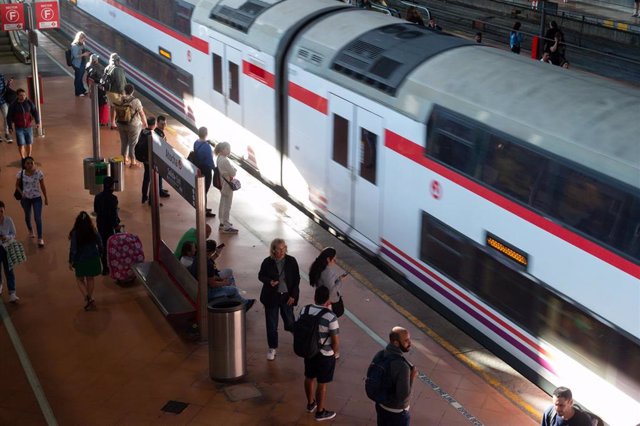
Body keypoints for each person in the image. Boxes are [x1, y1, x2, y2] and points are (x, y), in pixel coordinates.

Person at [258, 238, 300, 361]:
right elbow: (260, 275)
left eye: (283, 249)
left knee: (290, 322)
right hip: (271, 297)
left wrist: (294, 295)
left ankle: (297, 337)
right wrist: (269, 281)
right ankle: (272, 347)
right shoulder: (267, 262)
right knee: (271, 324)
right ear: (273, 250)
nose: (282, 252)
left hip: (287, 296)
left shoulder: (291, 261)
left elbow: (296, 279)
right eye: (279, 249)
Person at [302, 286, 339, 422]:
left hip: (309, 351)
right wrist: (334, 354)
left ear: (315, 297)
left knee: (309, 377)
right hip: (325, 354)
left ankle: (310, 404)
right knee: (322, 383)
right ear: (328, 300)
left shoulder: (304, 310)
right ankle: (320, 412)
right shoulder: (330, 316)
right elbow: (335, 341)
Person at [189, 239, 255, 309]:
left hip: (198, 287)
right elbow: (213, 284)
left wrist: (219, 279)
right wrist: (224, 283)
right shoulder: (208, 264)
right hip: (206, 293)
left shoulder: (198, 258)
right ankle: (244, 305)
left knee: (229, 279)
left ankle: (234, 298)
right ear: (212, 252)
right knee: (233, 289)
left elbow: (207, 277)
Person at [372, 326, 417, 426]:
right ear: (396, 343)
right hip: (396, 413)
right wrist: (412, 378)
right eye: (406, 340)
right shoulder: (402, 366)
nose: (410, 343)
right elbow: (403, 396)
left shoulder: (380, 354)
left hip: (381, 405)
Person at [68, 211, 103, 311]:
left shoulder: (75, 233)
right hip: (93, 257)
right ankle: (90, 297)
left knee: (79, 279)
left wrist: (71, 261)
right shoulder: (93, 230)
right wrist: (100, 253)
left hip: (80, 260)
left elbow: (73, 249)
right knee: (90, 278)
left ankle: (88, 298)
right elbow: (100, 242)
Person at [15, 156, 48, 247]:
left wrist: (46, 197)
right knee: (27, 216)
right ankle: (30, 230)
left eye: (31, 163)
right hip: (25, 199)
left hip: (37, 198)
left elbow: (42, 186)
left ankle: (40, 238)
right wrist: (22, 193)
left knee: (37, 218)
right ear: (24, 165)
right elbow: (17, 185)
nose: (29, 165)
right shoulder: (20, 174)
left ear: (34, 164)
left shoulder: (39, 173)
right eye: (27, 163)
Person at [309, 247, 348, 317]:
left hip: (321, 297)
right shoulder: (327, 272)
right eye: (333, 259)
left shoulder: (317, 266)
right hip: (331, 301)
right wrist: (340, 280)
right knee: (335, 315)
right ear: (328, 259)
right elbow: (332, 290)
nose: (335, 261)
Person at [137, 116, 169, 203]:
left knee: (146, 178)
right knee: (154, 179)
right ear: (155, 124)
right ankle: (152, 200)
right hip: (150, 159)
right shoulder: (153, 134)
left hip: (144, 158)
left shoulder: (143, 131)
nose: (163, 125)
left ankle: (144, 197)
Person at [94, 176, 120, 275]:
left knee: (102, 245)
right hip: (110, 226)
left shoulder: (97, 197)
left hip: (100, 224)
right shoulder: (113, 199)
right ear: (111, 187)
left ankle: (104, 268)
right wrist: (116, 225)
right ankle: (114, 265)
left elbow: (96, 210)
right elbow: (113, 214)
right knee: (112, 245)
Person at [116, 83, 146, 167]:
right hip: (133, 125)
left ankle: (124, 159)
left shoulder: (119, 99)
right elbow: (142, 114)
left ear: (124, 91)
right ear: (133, 91)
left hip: (120, 123)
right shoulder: (136, 101)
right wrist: (145, 123)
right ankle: (133, 162)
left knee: (124, 142)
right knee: (133, 144)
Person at [7, 88, 40, 160]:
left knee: (29, 143)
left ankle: (28, 157)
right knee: (21, 144)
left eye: (24, 95)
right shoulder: (13, 105)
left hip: (28, 127)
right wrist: (10, 127)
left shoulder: (28, 102)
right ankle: (23, 158)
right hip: (19, 128)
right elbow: (9, 116)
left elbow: (34, 111)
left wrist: (37, 122)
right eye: (21, 95)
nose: (23, 97)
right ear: (17, 96)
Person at [215, 141, 238, 233]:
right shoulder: (225, 160)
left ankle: (221, 222)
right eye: (227, 149)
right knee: (227, 205)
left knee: (223, 202)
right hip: (227, 184)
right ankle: (226, 225)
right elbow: (233, 172)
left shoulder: (219, 158)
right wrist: (233, 170)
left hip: (222, 183)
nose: (229, 151)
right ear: (222, 149)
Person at [192, 127, 216, 218]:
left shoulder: (196, 143)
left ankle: (203, 207)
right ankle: (203, 209)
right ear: (206, 134)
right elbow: (210, 161)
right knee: (204, 190)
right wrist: (215, 169)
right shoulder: (207, 146)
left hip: (198, 168)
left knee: (201, 189)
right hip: (206, 170)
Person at [0, 201, 18, 303]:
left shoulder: (8, 220)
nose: (0, 214)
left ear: (4, 210)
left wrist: (7, 237)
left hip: (6, 247)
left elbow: (13, 233)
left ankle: (12, 293)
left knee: (9, 270)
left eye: (1, 211)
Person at [103, 53, 127, 129]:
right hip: (117, 92)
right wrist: (124, 94)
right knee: (121, 107)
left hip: (109, 91)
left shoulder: (107, 67)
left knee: (112, 107)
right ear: (117, 61)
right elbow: (121, 83)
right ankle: (119, 123)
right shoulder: (118, 69)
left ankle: (112, 123)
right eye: (119, 60)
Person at [85, 54, 109, 126]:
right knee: (103, 104)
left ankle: (97, 119)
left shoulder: (88, 66)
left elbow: (89, 79)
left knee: (96, 104)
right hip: (100, 88)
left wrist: (89, 90)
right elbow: (104, 79)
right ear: (96, 60)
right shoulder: (101, 67)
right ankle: (103, 121)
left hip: (94, 89)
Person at [153, 115, 170, 197]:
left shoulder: (160, 132)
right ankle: (159, 190)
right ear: (157, 123)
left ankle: (160, 188)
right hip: (158, 158)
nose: (163, 126)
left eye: (165, 124)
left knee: (161, 175)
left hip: (160, 158)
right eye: (162, 124)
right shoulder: (157, 134)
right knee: (159, 175)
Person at [70, 31, 91, 97]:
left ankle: (82, 90)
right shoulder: (75, 46)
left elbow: (82, 53)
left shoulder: (82, 45)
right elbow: (75, 56)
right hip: (77, 64)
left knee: (80, 77)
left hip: (82, 63)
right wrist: (83, 54)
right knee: (78, 78)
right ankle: (78, 92)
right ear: (79, 38)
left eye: (84, 38)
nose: (84, 40)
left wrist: (86, 54)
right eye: (83, 39)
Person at [0, 73, 14, 142]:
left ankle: (7, 133)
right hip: (2, 99)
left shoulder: (1, 75)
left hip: (3, 101)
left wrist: (8, 83)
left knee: (6, 116)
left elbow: (5, 88)